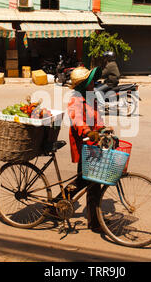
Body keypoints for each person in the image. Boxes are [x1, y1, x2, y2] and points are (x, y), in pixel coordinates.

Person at [48, 66, 105, 232]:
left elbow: (98, 118)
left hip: (93, 145)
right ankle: (93, 222)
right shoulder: (75, 100)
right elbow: (77, 120)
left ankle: (56, 206)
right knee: (91, 182)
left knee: (87, 181)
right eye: (91, 81)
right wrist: (88, 132)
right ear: (83, 85)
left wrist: (103, 130)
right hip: (84, 146)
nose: (94, 83)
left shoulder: (91, 97)